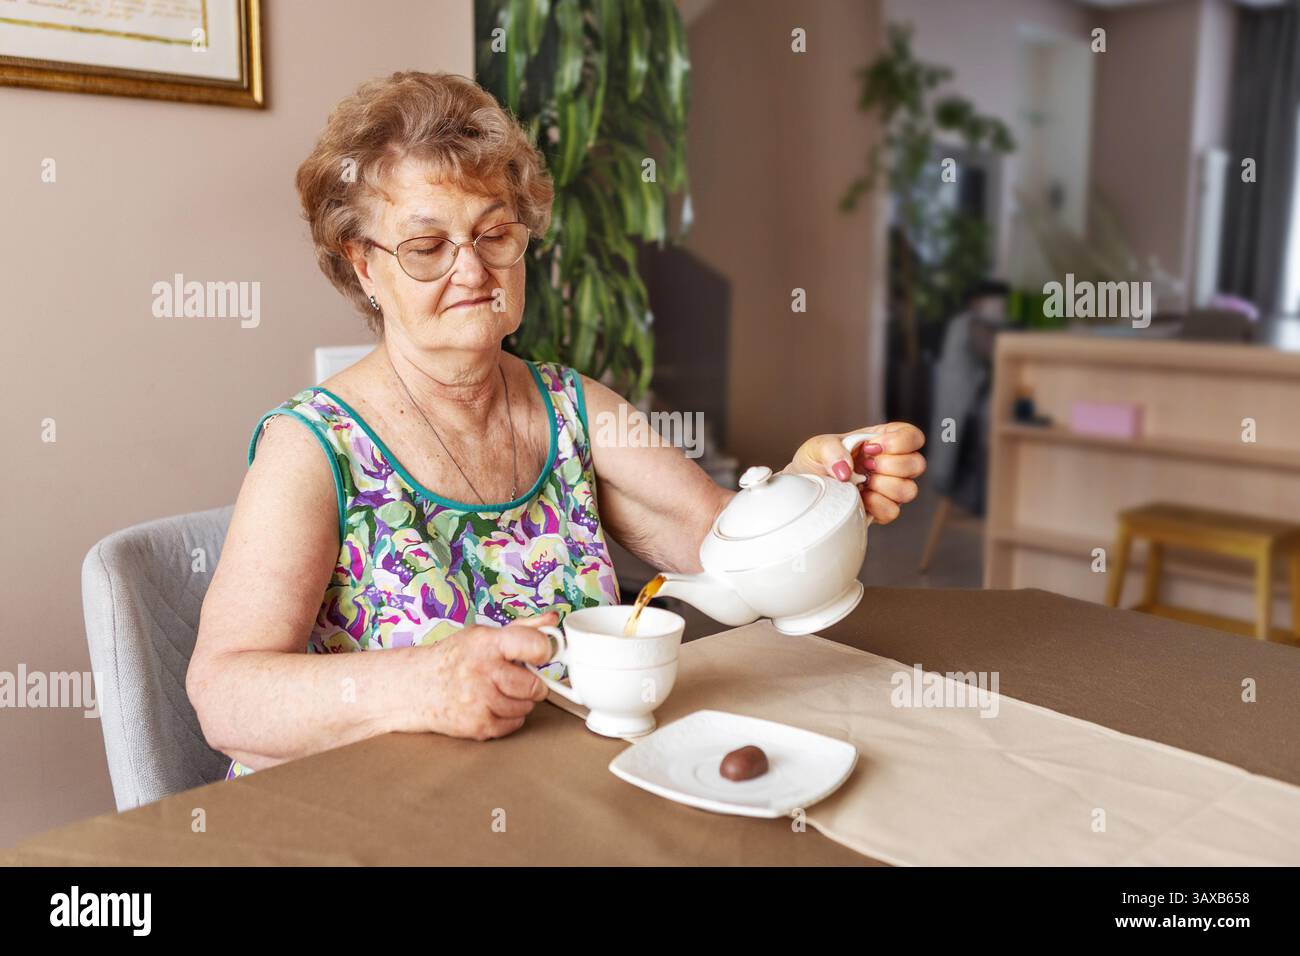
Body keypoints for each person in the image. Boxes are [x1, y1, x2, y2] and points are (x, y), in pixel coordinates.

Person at [186, 72, 927, 777]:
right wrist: (424, 684)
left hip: (546, 793)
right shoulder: (310, 447)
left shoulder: (574, 408)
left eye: (493, 234)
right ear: (365, 267)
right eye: (426, 247)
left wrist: (804, 497)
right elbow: (225, 695)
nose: (472, 270)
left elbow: (721, 548)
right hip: (360, 815)